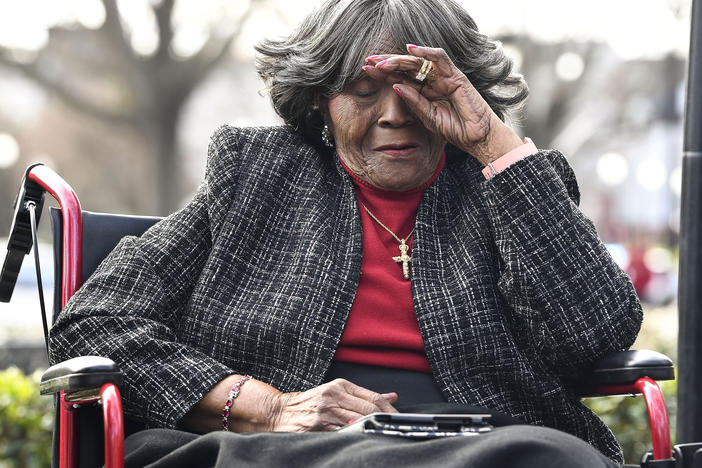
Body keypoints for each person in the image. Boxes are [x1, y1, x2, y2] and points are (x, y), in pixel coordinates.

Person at [49, 0, 642, 466]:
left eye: (422, 88)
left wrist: (493, 142)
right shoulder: (256, 176)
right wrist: (267, 407)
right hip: (277, 452)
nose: (395, 114)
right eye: (363, 91)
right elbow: (93, 322)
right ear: (320, 101)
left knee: (550, 456)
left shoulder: (508, 187)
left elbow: (596, 334)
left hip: (482, 445)